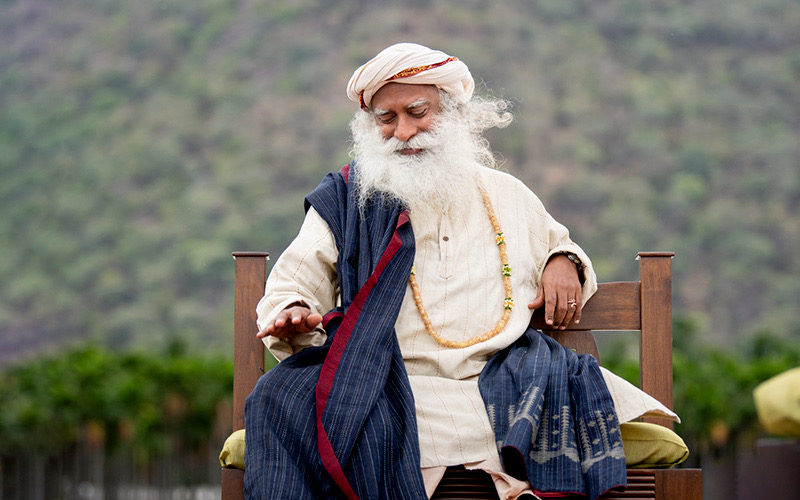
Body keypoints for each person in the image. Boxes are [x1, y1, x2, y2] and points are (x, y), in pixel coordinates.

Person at [244, 43, 664, 500]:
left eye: (418, 112)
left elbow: (558, 243)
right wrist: (293, 311)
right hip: (383, 382)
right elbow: (294, 279)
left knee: (559, 395)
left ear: (455, 113)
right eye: (386, 119)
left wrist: (563, 262)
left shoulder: (508, 195)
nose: (403, 132)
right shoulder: (348, 199)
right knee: (274, 399)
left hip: (500, 380)